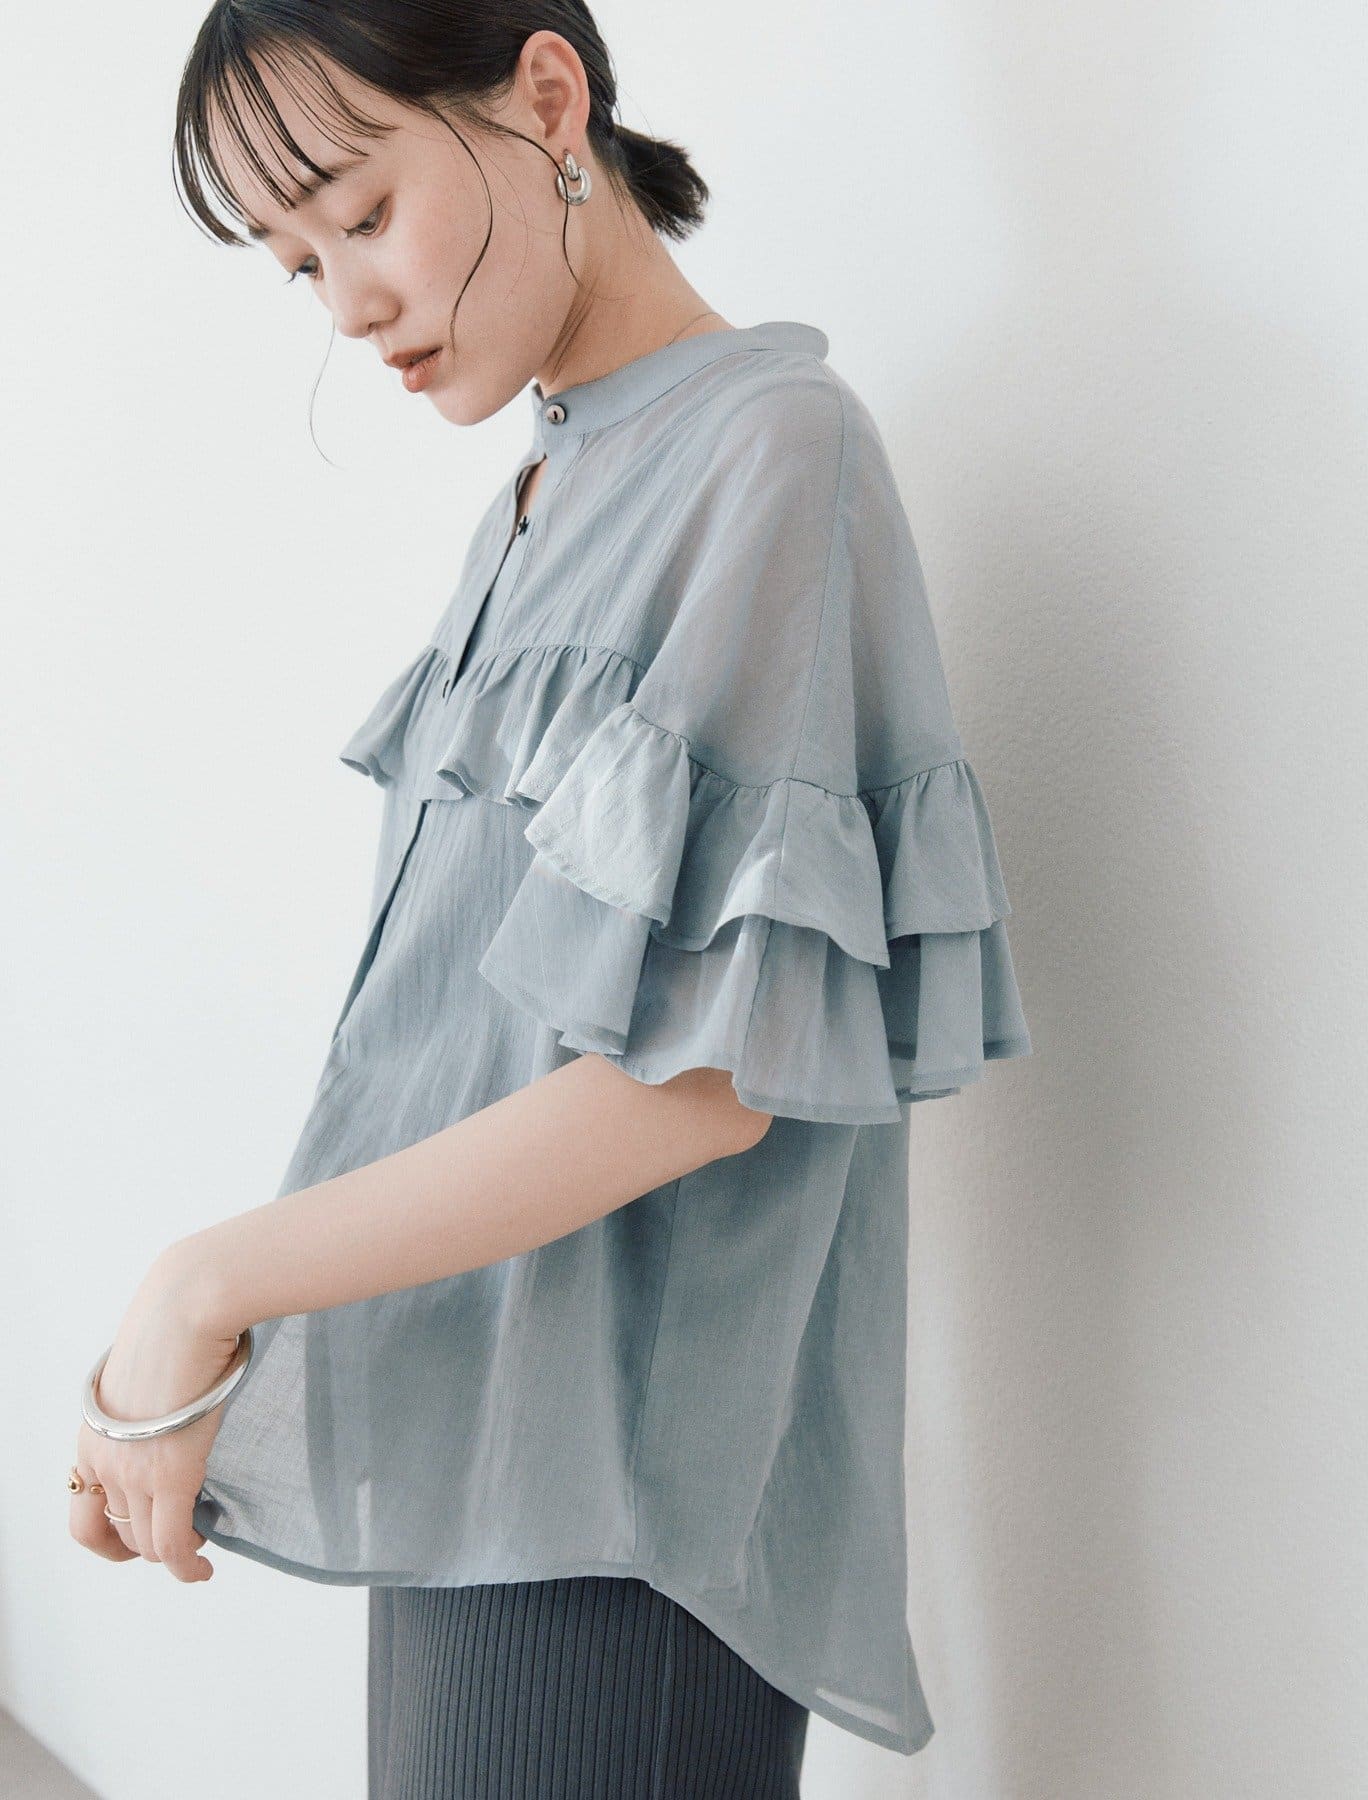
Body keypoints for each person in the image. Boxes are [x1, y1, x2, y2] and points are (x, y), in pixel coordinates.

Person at [68, 5, 1034, 1795]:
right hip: (478, 1466)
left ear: (546, 93)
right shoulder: (540, 486)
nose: (348, 304)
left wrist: (204, 1281)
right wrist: (213, 1337)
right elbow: (455, 1053)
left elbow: (698, 1083)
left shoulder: (773, 450)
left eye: (363, 214)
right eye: (300, 265)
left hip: (619, 1526)